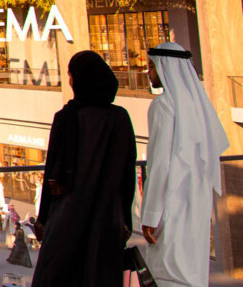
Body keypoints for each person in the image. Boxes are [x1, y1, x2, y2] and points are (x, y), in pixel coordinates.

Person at [31, 50, 137, 287]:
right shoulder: (119, 118)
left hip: (69, 214)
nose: (69, 81)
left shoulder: (66, 117)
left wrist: (44, 218)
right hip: (106, 215)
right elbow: (127, 172)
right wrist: (125, 218)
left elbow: (52, 172)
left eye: (70, 75)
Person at [141, 43, 229, 287]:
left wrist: (150, 215)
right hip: (198, 200)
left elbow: (160, 164)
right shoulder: (198, 106)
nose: (150, 73)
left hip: (172, 202)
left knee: (168, 270)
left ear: (166, 68)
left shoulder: (163, 105)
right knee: (192, 271)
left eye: (152, 67)